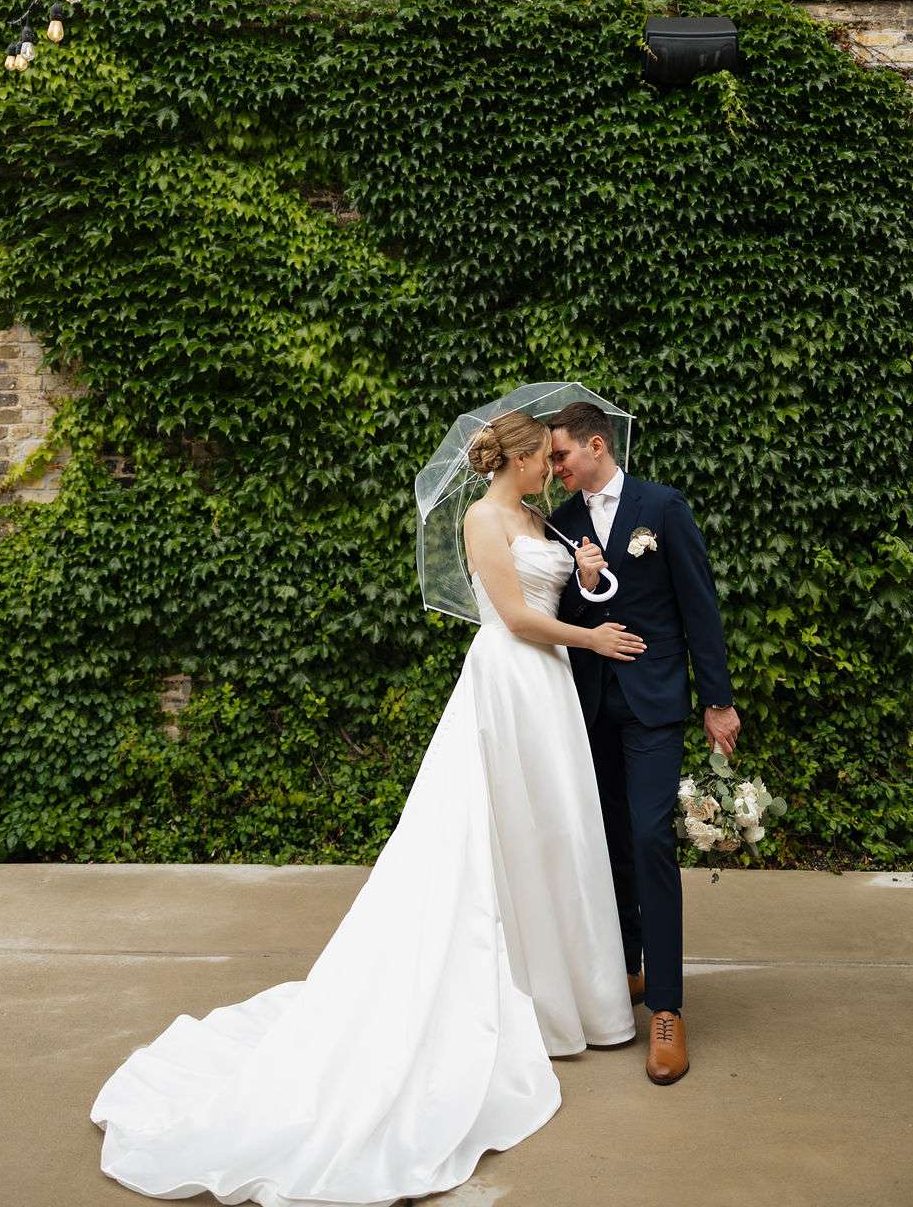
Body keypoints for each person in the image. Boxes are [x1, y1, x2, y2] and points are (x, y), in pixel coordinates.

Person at [90, 410, 644, 1206]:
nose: (552, 468)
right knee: (502, 835)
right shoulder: (484, 520)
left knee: (554, 833)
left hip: (549, 687)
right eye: (543, 458)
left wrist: (588, 574)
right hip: (511, 677)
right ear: (517, 457)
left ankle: (567, 989)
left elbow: (569, 592)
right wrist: (591, 641)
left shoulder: (539, 518)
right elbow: (517, 618)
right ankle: (525, 995)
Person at [549, 401, 741, 1086]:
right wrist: (587, 580)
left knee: (653, 838)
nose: (554, 467)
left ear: (595, 445)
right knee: (612, 843)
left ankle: (666, 1007)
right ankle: (629, 966)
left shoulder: (663, 507)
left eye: (561, 455)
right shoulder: (561, 524)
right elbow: (560, 614)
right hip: (591, 704)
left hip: (655, 702)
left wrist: (718, 700)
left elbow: (699, 603)